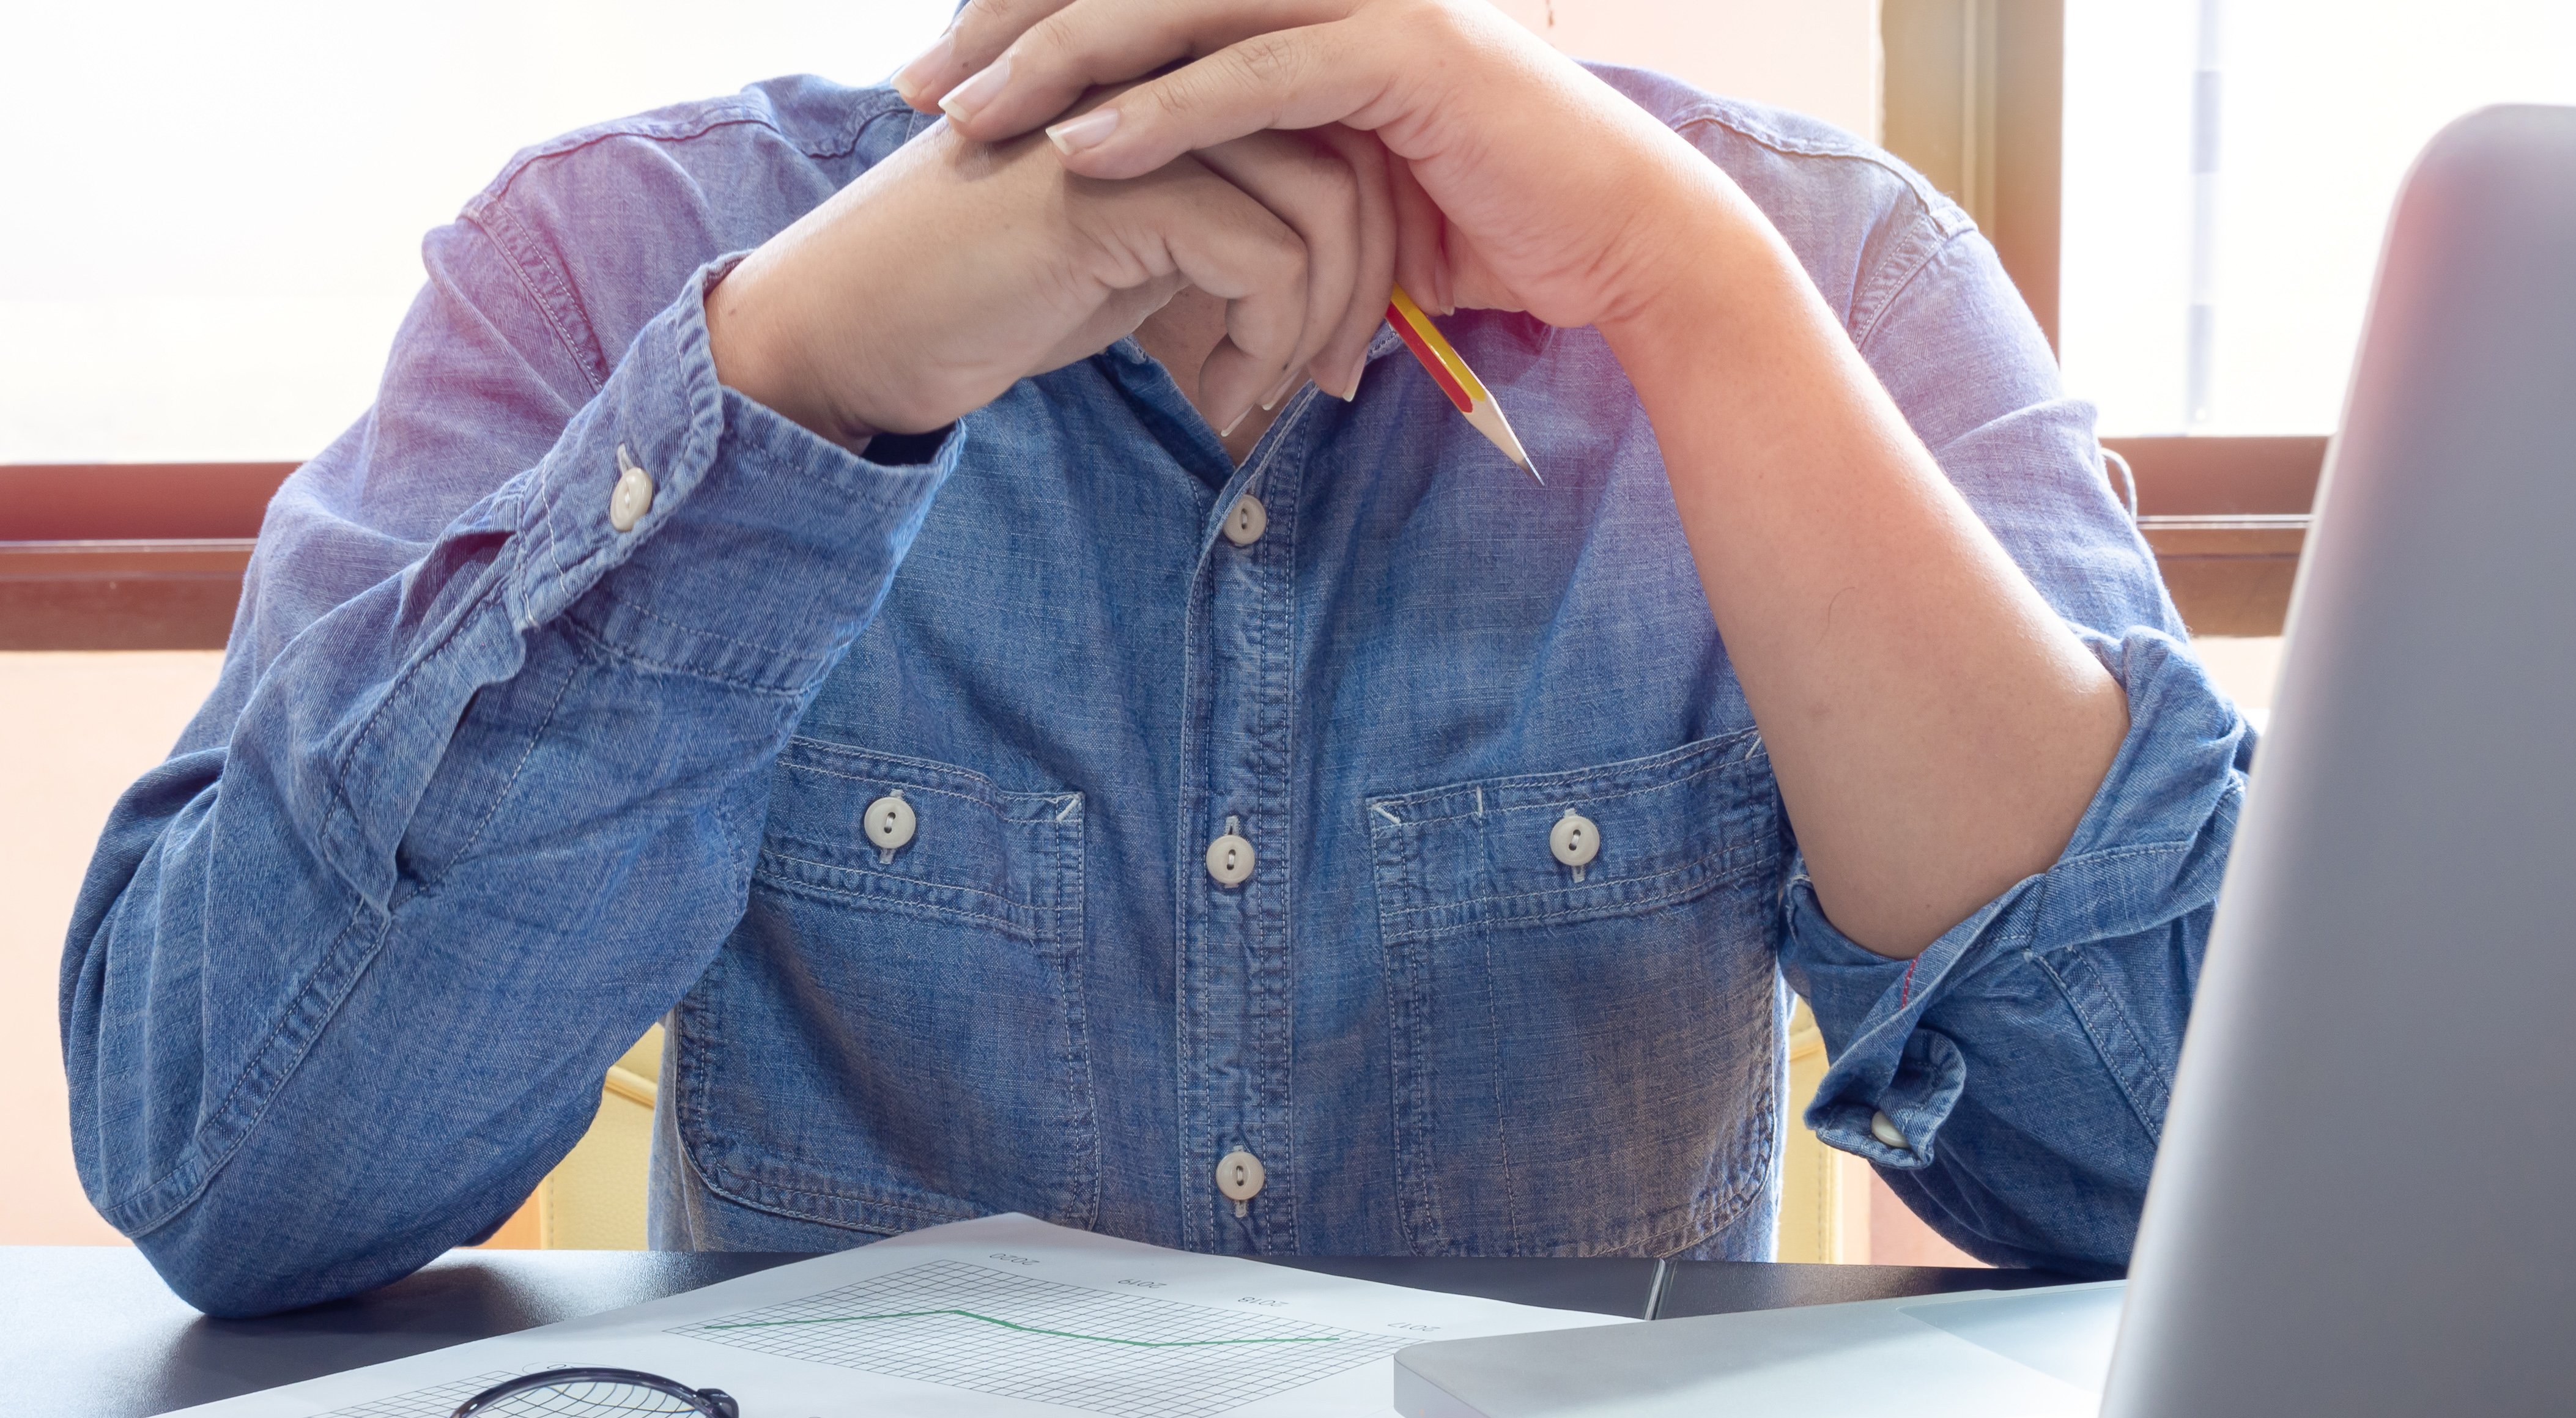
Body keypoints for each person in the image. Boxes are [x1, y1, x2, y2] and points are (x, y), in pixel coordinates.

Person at [62, 0, 2249, 1318]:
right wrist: (804, 376)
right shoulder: (615, 257)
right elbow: (230, 1174)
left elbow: (2183, 1182)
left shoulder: (1834, 271)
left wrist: (1690, 296)